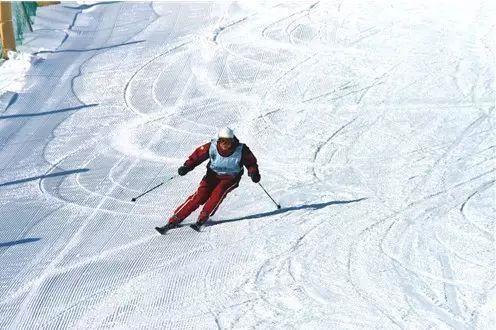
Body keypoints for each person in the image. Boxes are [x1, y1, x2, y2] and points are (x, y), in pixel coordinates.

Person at [155, 127, 260, 234]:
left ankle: (203, 217)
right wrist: (187, 166)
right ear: (219, 140)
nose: (225, 144)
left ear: (233, 141)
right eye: (223, 141)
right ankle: (175, 219)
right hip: (212, 175)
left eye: (228, 141)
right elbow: (197, 156)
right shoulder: (212, 147)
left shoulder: (241, 149)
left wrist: (254, 173)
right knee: (200, 196)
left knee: (218, 193)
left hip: (230, 178)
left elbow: (251, 162)